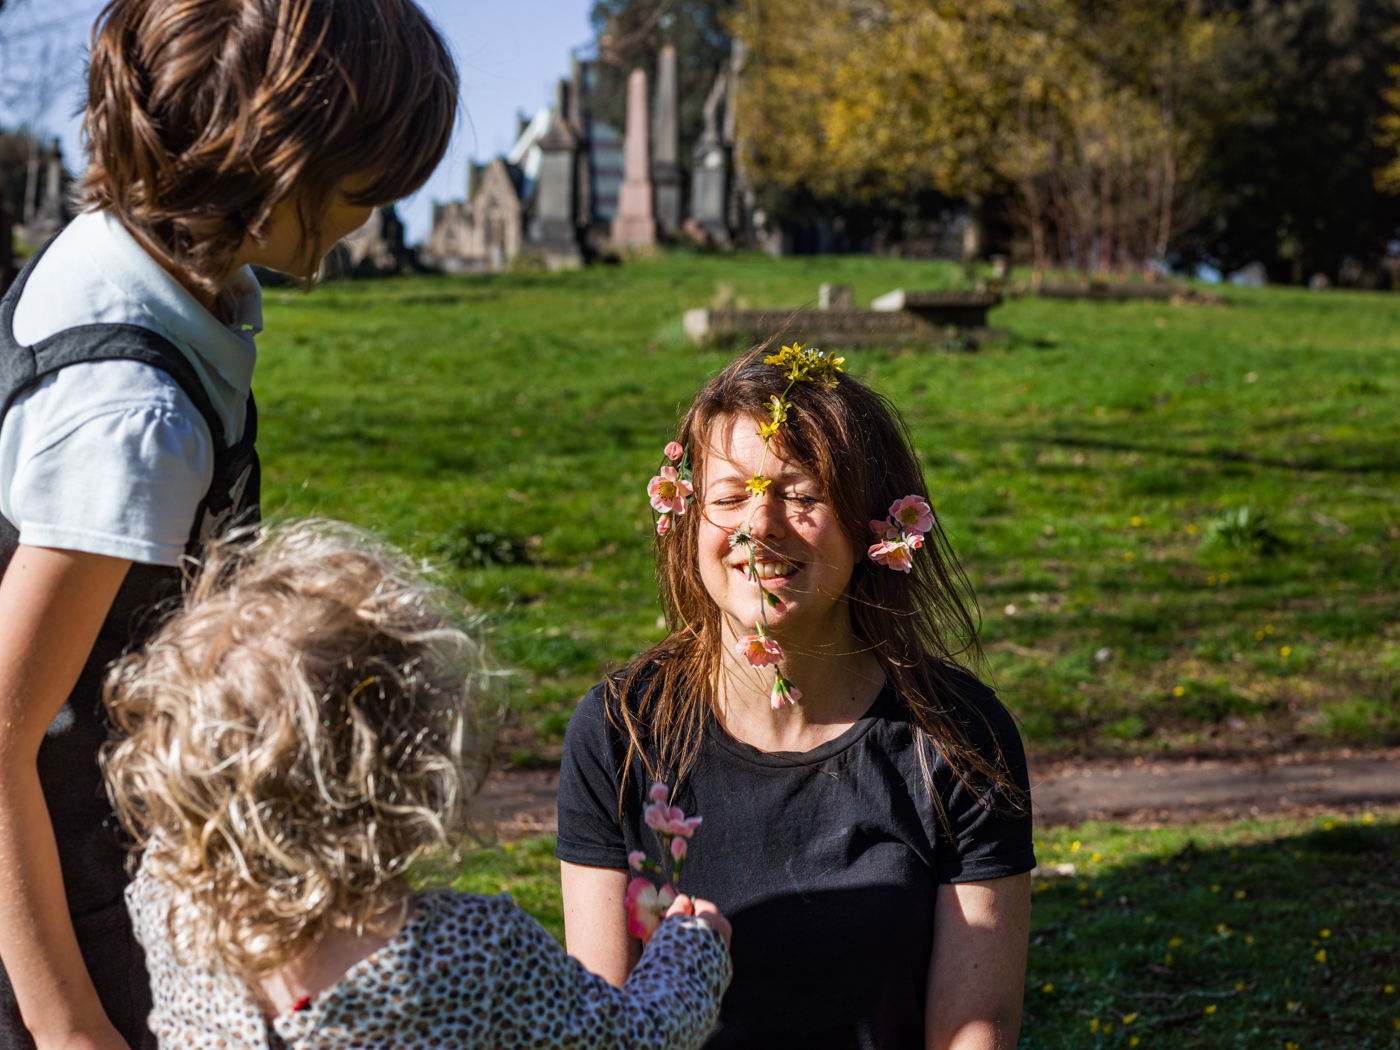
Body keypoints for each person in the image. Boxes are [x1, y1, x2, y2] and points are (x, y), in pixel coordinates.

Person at [0, 2, 458, 1046]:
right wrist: (74, 1029)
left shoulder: (123, 266)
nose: (375, 213)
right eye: (365, 180)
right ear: (275, 164)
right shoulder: (132, 420)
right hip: (58, 931)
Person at [557, 345, 1035, 1050]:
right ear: (688, 519)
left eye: (803, 494)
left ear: (875, 523)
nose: (760, 524)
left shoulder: (959, 738)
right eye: (728, 497)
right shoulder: (620, 731)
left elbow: (974, 1032)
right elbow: (601, 1028)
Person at [101, 521, 733, 1050]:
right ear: (415, 760)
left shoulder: (169, 907)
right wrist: (690, 955)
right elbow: (632, 1040)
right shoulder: (468, 954)